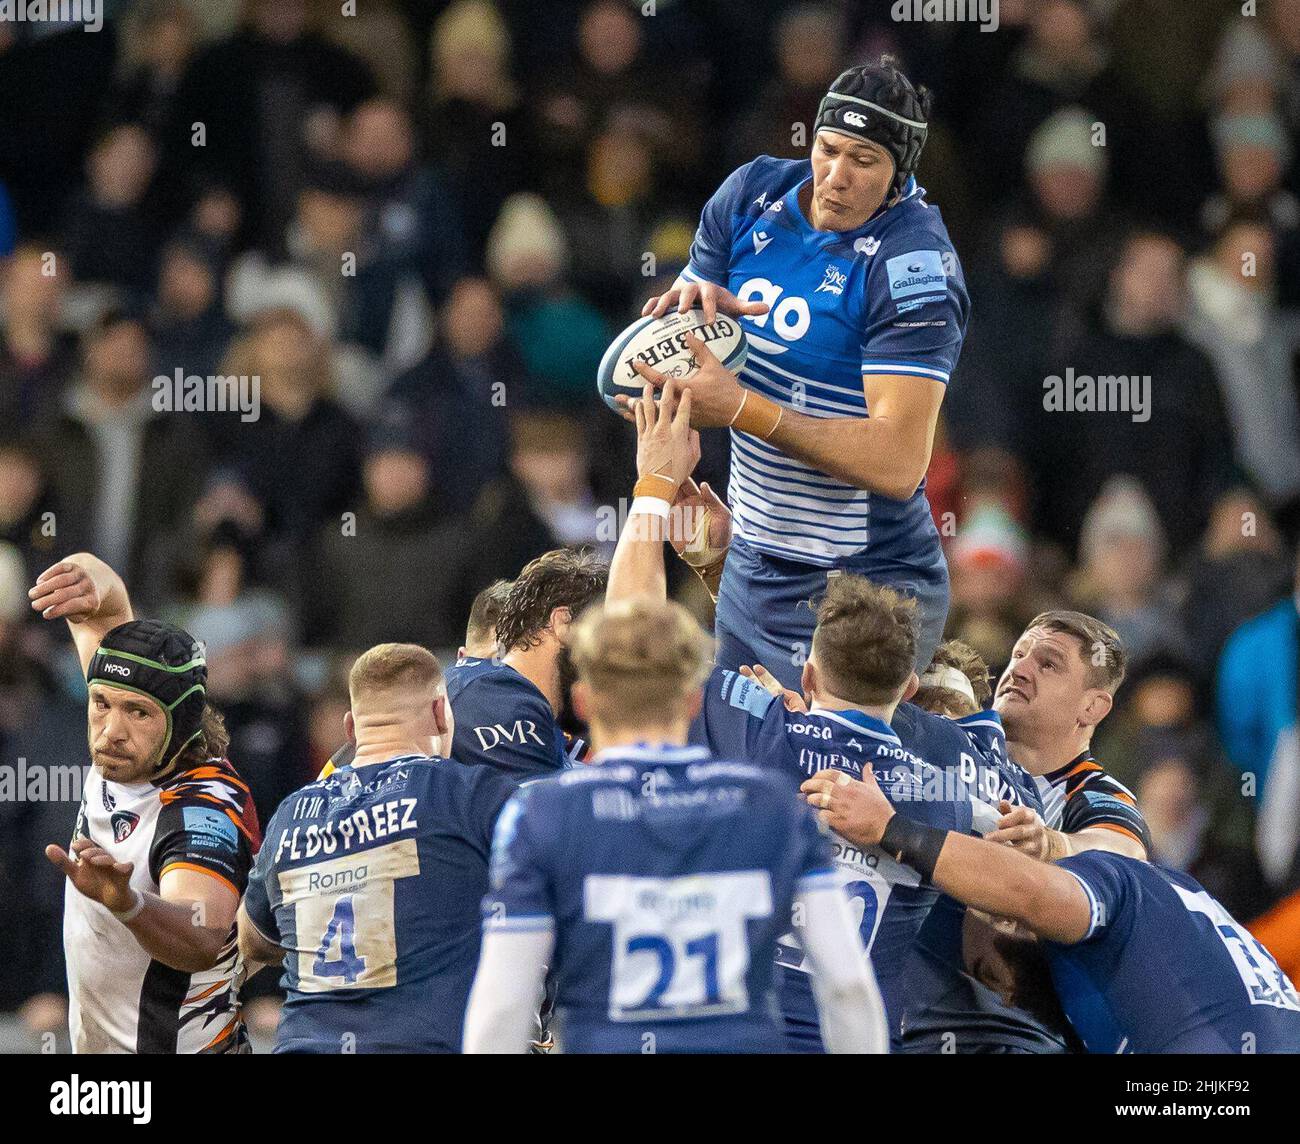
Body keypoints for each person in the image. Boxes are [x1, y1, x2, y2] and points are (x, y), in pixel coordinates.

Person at [601, 379, 972, 1049]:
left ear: (806, 673)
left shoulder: (759, 724)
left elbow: (634, 637)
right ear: (910, 685)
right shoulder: (946, 780)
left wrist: (654, 483)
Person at [631, 55, 969, 687]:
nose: (835, 178)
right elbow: (675, 343)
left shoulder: (915, 266)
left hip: (871, 591)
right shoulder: (749, 196)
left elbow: (900, 462)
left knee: (821, 779)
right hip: (755, 574)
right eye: (827, 149)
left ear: (901, 174)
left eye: (864, 161)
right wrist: (657, 374)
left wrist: (739, 409)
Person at [462, 595, 886, 1054]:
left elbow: (504, 1007)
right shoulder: (772, 806)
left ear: (583, 701)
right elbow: (847, 986)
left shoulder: (541, 815)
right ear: (691, 701)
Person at [804, 763, 1300, 1053]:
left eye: (983, 971)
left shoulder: (1111, 883)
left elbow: (1032, 892)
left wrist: (891, 828)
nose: (1002, 994)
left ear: (1007, 918)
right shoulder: (1159, 926)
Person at [238, 643, 515, 1053]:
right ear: (441, 712)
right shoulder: (471, 795)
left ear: (350, 729)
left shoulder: (291, 813)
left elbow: (251, 939)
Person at [33, 553, 260, 1053]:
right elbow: (105, 605)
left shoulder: (201, 807)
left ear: (181, 724)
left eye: (138, 712)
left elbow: (201, 933)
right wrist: (86, 573)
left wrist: (128, 903)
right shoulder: (131, 747)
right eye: (102, 704)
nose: (111, 732)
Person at [988, 611, 1152, 861]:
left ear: (1091, 707)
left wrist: (1050, 844)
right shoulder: (957, 752)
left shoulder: (1095, 794)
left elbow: (1126, 850)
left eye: (1048, 665)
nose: (1018, 670)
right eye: (1019, 655)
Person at [445, 548, 606, 781]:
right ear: (563, 622)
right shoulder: (486, 694)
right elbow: (545, 814)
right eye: (603, 632)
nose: (613, 654)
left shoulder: (550, 727)